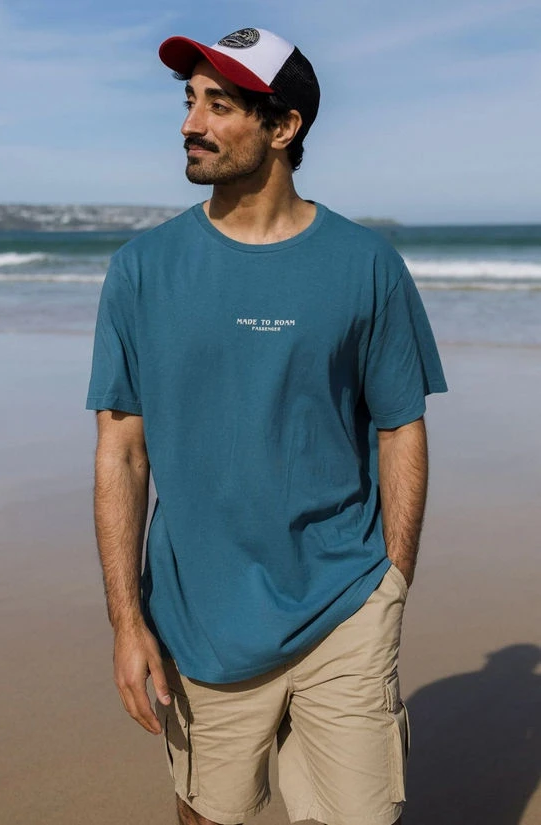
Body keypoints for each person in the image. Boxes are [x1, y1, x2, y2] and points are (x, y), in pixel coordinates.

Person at [86, 26, 447, 825]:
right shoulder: (141, 271)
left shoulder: (367, 264)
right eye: (190, 101)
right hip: (200, 620)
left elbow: (401, 426)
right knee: (207, 815)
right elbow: (122, 450)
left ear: (283, 126)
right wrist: (126, 619)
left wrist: (392, 581)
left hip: (345, 606)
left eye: (220, 105)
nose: (190, 124)